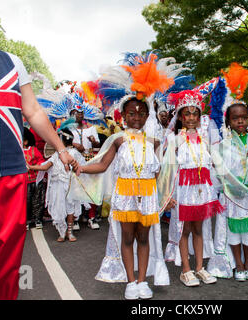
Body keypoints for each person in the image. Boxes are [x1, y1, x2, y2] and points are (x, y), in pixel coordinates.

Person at [0, 0, 76, 300]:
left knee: (6, 256)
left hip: (10, 170)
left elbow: (34, 112)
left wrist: (60, 147)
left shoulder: (13, 62)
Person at [70, 52, 174, 300]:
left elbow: (162, 173)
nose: (136, 117)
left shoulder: (155, 142)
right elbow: (103, 164)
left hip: (147, 195)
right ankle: (130, 281)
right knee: (127, 238)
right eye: (131, 113)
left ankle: (142, 280)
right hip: (125, 195)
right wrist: (82, 168)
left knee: (144, 238)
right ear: (123, 116)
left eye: (140, 113)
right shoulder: (117, 139)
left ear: (147, 116)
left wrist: (167, 196)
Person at [205, 63, 248, 281]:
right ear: (229, 121)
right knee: (234, 231)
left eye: (244, 117)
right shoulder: (223, 145)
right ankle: (239, 266)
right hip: (232, 195)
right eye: (236, 118)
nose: (241, 121)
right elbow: (220, 171)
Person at [160, 89, 223, 287]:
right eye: (186, 113)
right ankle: (185, 270)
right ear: (180, 116)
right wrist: (167, 196)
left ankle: (199, 267)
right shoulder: (174, 140)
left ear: (199, 116)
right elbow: (167, 170)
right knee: (183, 230)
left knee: (199, 229)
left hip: (201, 191)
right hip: (183, 192)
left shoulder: (204, 139)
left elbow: (213, 164)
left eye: (195, 113)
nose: (191, 117)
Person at [31, 127, 87, 242]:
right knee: (58, 207)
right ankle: (62, 231)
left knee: (70, 207)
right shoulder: (57, 155)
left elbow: (82, 166)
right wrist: (31, 167)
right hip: (58, 187)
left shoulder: (74, 153)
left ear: (64, 140)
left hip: (70, 185)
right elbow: (45, 166)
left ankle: (70, 232)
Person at [70, 104, 101, 230]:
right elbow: (62, 141)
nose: (79, 115)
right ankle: (76, 218)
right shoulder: (69, 129)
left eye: (81, 113)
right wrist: (74, 144)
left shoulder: (91, 128)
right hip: (75, 159)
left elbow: (97, 144)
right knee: (76, 187)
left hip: (89, 158)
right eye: (77, 113)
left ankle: (91, 217)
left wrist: (93, 141)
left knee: (91, 187)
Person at [23, 127, 45, 230]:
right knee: (26, 201)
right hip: (24, 181)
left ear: (26, 141)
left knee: (38, 199)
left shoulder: (33, 150)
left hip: (36, 179)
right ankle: (26, 220)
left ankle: (38, 219)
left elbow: (41, 161)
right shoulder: (18, 152)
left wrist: (34, 166)